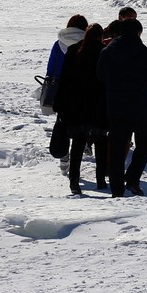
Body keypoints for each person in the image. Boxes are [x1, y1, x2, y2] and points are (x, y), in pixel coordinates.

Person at [97, 18, 147, 198]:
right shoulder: (145, 52)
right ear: (138, 32)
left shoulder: (107, 52)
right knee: (145, 143)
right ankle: (132, 179)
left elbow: (100, 75)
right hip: (139, 107)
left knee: (117, 147)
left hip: (115, 106)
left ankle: (117, 190)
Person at [54, 23, 108, 195]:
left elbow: (64, 80)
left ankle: (74, 183)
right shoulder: (105, 52)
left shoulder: (74, 51)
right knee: (100, 143)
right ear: (100, 36)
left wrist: (59, 104)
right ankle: (100, 180)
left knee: (77, 145)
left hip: (76, 106)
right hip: (98, 105)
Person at [45, 14, 88, 175]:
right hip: (82, 89)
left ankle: (64, 157)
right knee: (83, 121)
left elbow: (52, 66)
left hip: (62, 90)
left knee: (62, 122)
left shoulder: (59, 43)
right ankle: (84, 146)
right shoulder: (88, 42)